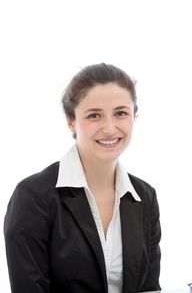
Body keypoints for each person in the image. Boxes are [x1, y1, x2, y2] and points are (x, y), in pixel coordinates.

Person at [4, 63, 161, 293]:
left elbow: (149, 288)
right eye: (94, 115)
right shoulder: (32, 197)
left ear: (134, 116)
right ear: (71, 122)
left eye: (120, 113)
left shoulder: (144, 197)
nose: (109, 128)